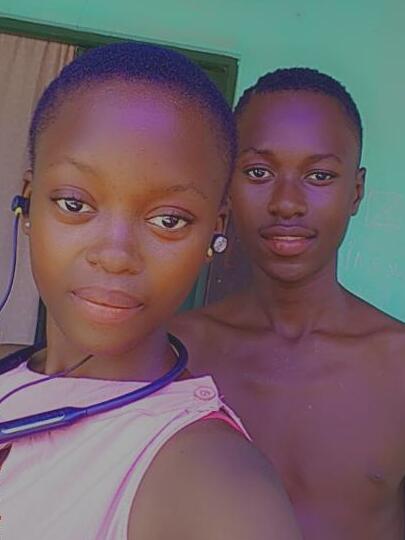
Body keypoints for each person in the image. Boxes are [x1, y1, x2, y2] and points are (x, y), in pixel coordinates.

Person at [0, 45, 301, 540]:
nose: (115, 255)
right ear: (28, 204)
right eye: (75, 204)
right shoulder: (12, 371)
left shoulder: (214, 488)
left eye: (169, 220)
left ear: (215, 231)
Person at [171, 67, 405, 540]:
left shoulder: (398, 363)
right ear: (227, 184)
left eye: (319, 175)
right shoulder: (173, 354)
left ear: (356, 191)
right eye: (259, 172)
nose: (287, 203)